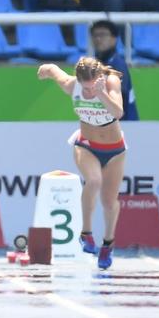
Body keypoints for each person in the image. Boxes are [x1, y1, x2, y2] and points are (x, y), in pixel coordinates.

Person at [37, 57, 126, 270]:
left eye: (91, 87)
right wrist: (44, 70)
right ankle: (86, 233)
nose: (88, 92)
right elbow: (52, 68)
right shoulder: (71, 85)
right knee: (93, 180)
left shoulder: (111, 81)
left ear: (99, 78)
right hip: (86, 145)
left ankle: (108, 244)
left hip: (115, 150)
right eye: (85, 89)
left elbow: (118, 113)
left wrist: (101, 93)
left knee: (109, 202)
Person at [89, 20, 139, 121]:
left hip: (124, 125)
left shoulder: (117, 65)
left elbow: (119, 97)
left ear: (114, 38)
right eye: (95, 35)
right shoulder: (97, 64)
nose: (98, 39)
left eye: (103, 35)